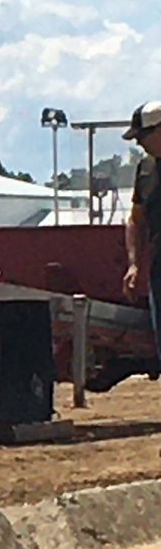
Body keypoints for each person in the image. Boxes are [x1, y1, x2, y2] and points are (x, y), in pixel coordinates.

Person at [124, 101, 161, 362]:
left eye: (142, 136)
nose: (138, 143)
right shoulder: (146, 169)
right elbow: (136, 220)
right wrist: (135, 264)